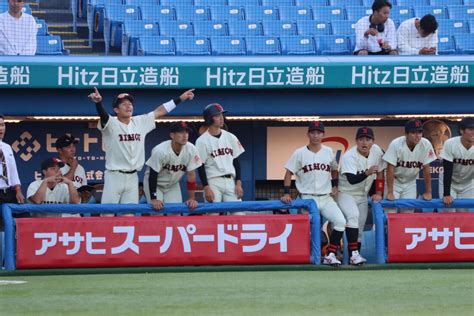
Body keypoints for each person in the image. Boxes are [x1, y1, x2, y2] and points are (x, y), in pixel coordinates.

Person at [87, 87, 195, 205]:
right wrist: (98, 103)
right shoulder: (112, 123)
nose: (129, 106)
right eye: (124, 104)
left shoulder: (140, 122)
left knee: (129, 215)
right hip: (114, 176)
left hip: (133, 177)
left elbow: (160, 111)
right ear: (116, 109)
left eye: (130, 104)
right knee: (107, 214)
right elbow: (104, 117)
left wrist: (180, 98)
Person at [281, 121, 365, 266]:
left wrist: (334, 185)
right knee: (307, 230)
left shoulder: (328, 151)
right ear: (308, 134)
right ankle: (301, 257)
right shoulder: (299, 152)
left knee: (340, 222)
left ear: (323, 134)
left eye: (319, 132)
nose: (315, 135)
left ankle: (330, 254)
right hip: (307, 197)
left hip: (325, 197)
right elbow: (288, 173)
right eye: (313, 132)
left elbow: (334, 169)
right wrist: (287, 193)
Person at [337, 127, 386, 256]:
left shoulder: (377, 151)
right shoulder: (349, 156)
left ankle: (355, 256)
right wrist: (367, 173)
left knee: (359, 228)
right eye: (361, 139)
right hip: (346, 193)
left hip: (363, 195)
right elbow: (352, 180)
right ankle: (350, 254)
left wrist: (379, 192)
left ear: (373, 141)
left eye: (368, 139)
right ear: (356, 141)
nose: (364, 142)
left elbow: (380, 173)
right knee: (352, 217)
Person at [195, 103, 244, 213]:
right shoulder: (201, 141)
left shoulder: (230, 137)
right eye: (217, 115)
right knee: (213, 215)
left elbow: (236, 161)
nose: (221, 118)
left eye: (222, 115)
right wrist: (206, 187)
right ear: (209, 119)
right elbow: (200, 166)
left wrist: (239, 183)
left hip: (230, 180)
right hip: (213, 181)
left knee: (239, 214)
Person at [143, 121, 202, 212]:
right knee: (157, 212)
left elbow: (191, 174)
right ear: (172, 135)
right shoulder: (160, 150)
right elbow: (153, 175)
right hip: (156, 184)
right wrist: (154, 198)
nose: (185, 135)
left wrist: (191, 198)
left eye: (186, 132)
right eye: (181, 132)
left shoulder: (191, 149)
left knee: (176, 212)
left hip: (172, 185)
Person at [383, 119, 437, 213]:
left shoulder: (425, 144)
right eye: (413, 132)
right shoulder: (396, 144)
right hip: (394, 181)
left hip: (410, 183)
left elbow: (426, 169)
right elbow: (390, 169)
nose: (417, 135)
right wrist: (390, 192)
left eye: (420, 132)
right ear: (406, 134)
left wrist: (428, 192)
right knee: (390, 213)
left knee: (408, 213)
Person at [440, 117, 474, 212]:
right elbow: (448, 170)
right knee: (449, 210)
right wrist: (446, 194)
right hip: (449, 182)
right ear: (462, 130)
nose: (473, 132)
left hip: (468, 183)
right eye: (471, 129)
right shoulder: (450, 144)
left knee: (464, 213)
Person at [0, 113, 24, 209]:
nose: (1, 128)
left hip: (9, 192)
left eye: (2, 125)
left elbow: (13, 171)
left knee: (22, 216)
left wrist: (18, 190)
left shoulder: (7, 147)